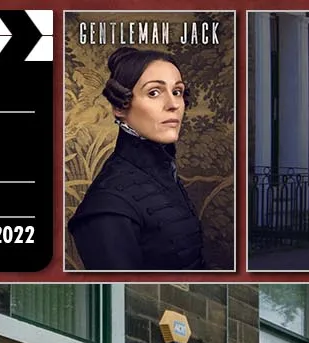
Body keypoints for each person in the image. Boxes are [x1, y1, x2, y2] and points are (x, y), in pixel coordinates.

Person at [69, 46, 208, 270]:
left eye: (177, 92)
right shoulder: (106, 206)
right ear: (120, 106)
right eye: (154, 92)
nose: (173, 104)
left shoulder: (165, 175)